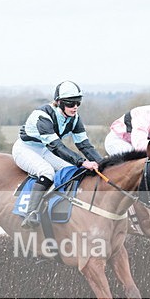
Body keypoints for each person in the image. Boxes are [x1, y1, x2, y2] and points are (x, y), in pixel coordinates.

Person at [12, 80, 103, 229]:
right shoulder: (42, 116)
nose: (75, 107)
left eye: (78, 103)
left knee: (71, 171)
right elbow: (57, 147)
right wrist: (82, 162)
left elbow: (84, 145)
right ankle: (31, 213)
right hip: (26, 149)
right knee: (47, 172)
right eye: (70, 103)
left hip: (45, 149)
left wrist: (104, 164)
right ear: (59, 102)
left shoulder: (75, 118)